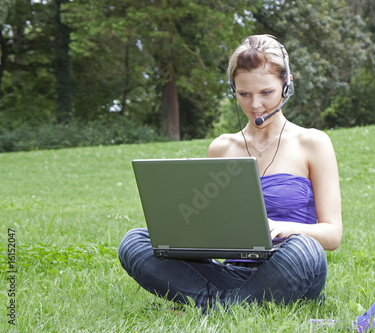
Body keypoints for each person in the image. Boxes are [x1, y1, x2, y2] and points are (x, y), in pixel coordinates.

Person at [118, 34, 342, 313]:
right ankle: (233, 305)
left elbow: (332, 235)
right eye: (244, 94)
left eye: (266, 93)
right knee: (135, 242)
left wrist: (286, 229)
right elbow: (212, 229)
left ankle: (208, 303)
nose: (255, 105)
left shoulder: (313, 143)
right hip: (228, 274)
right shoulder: (222, 147)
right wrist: (188, 236)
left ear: (287, 86)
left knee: (307, 251)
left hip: (290, 269)